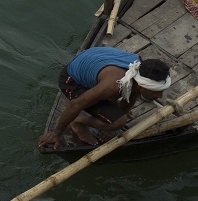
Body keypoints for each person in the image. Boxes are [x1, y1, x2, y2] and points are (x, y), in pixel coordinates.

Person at [37, 47, 171, 149]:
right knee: (119, 122)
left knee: (120, 112)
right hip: (71, 80)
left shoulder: (139, 72)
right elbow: (75, 105)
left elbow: (132, 96)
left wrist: (116, 114)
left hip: (93, 60)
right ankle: (78, 122)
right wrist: (56, 134)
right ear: (143, 85)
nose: (159, 96)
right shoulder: (112, 86)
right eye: (156, 92)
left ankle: (108, 112)